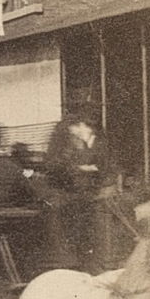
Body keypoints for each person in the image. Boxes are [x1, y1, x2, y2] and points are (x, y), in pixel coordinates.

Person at [43, 113, 111, 271]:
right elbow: (62, 169)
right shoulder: (69, 146)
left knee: (80, 244)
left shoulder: (78, 144)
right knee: (78, 244)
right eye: (80, 126)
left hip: (76, 199)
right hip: (71, 200)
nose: (84, 129)